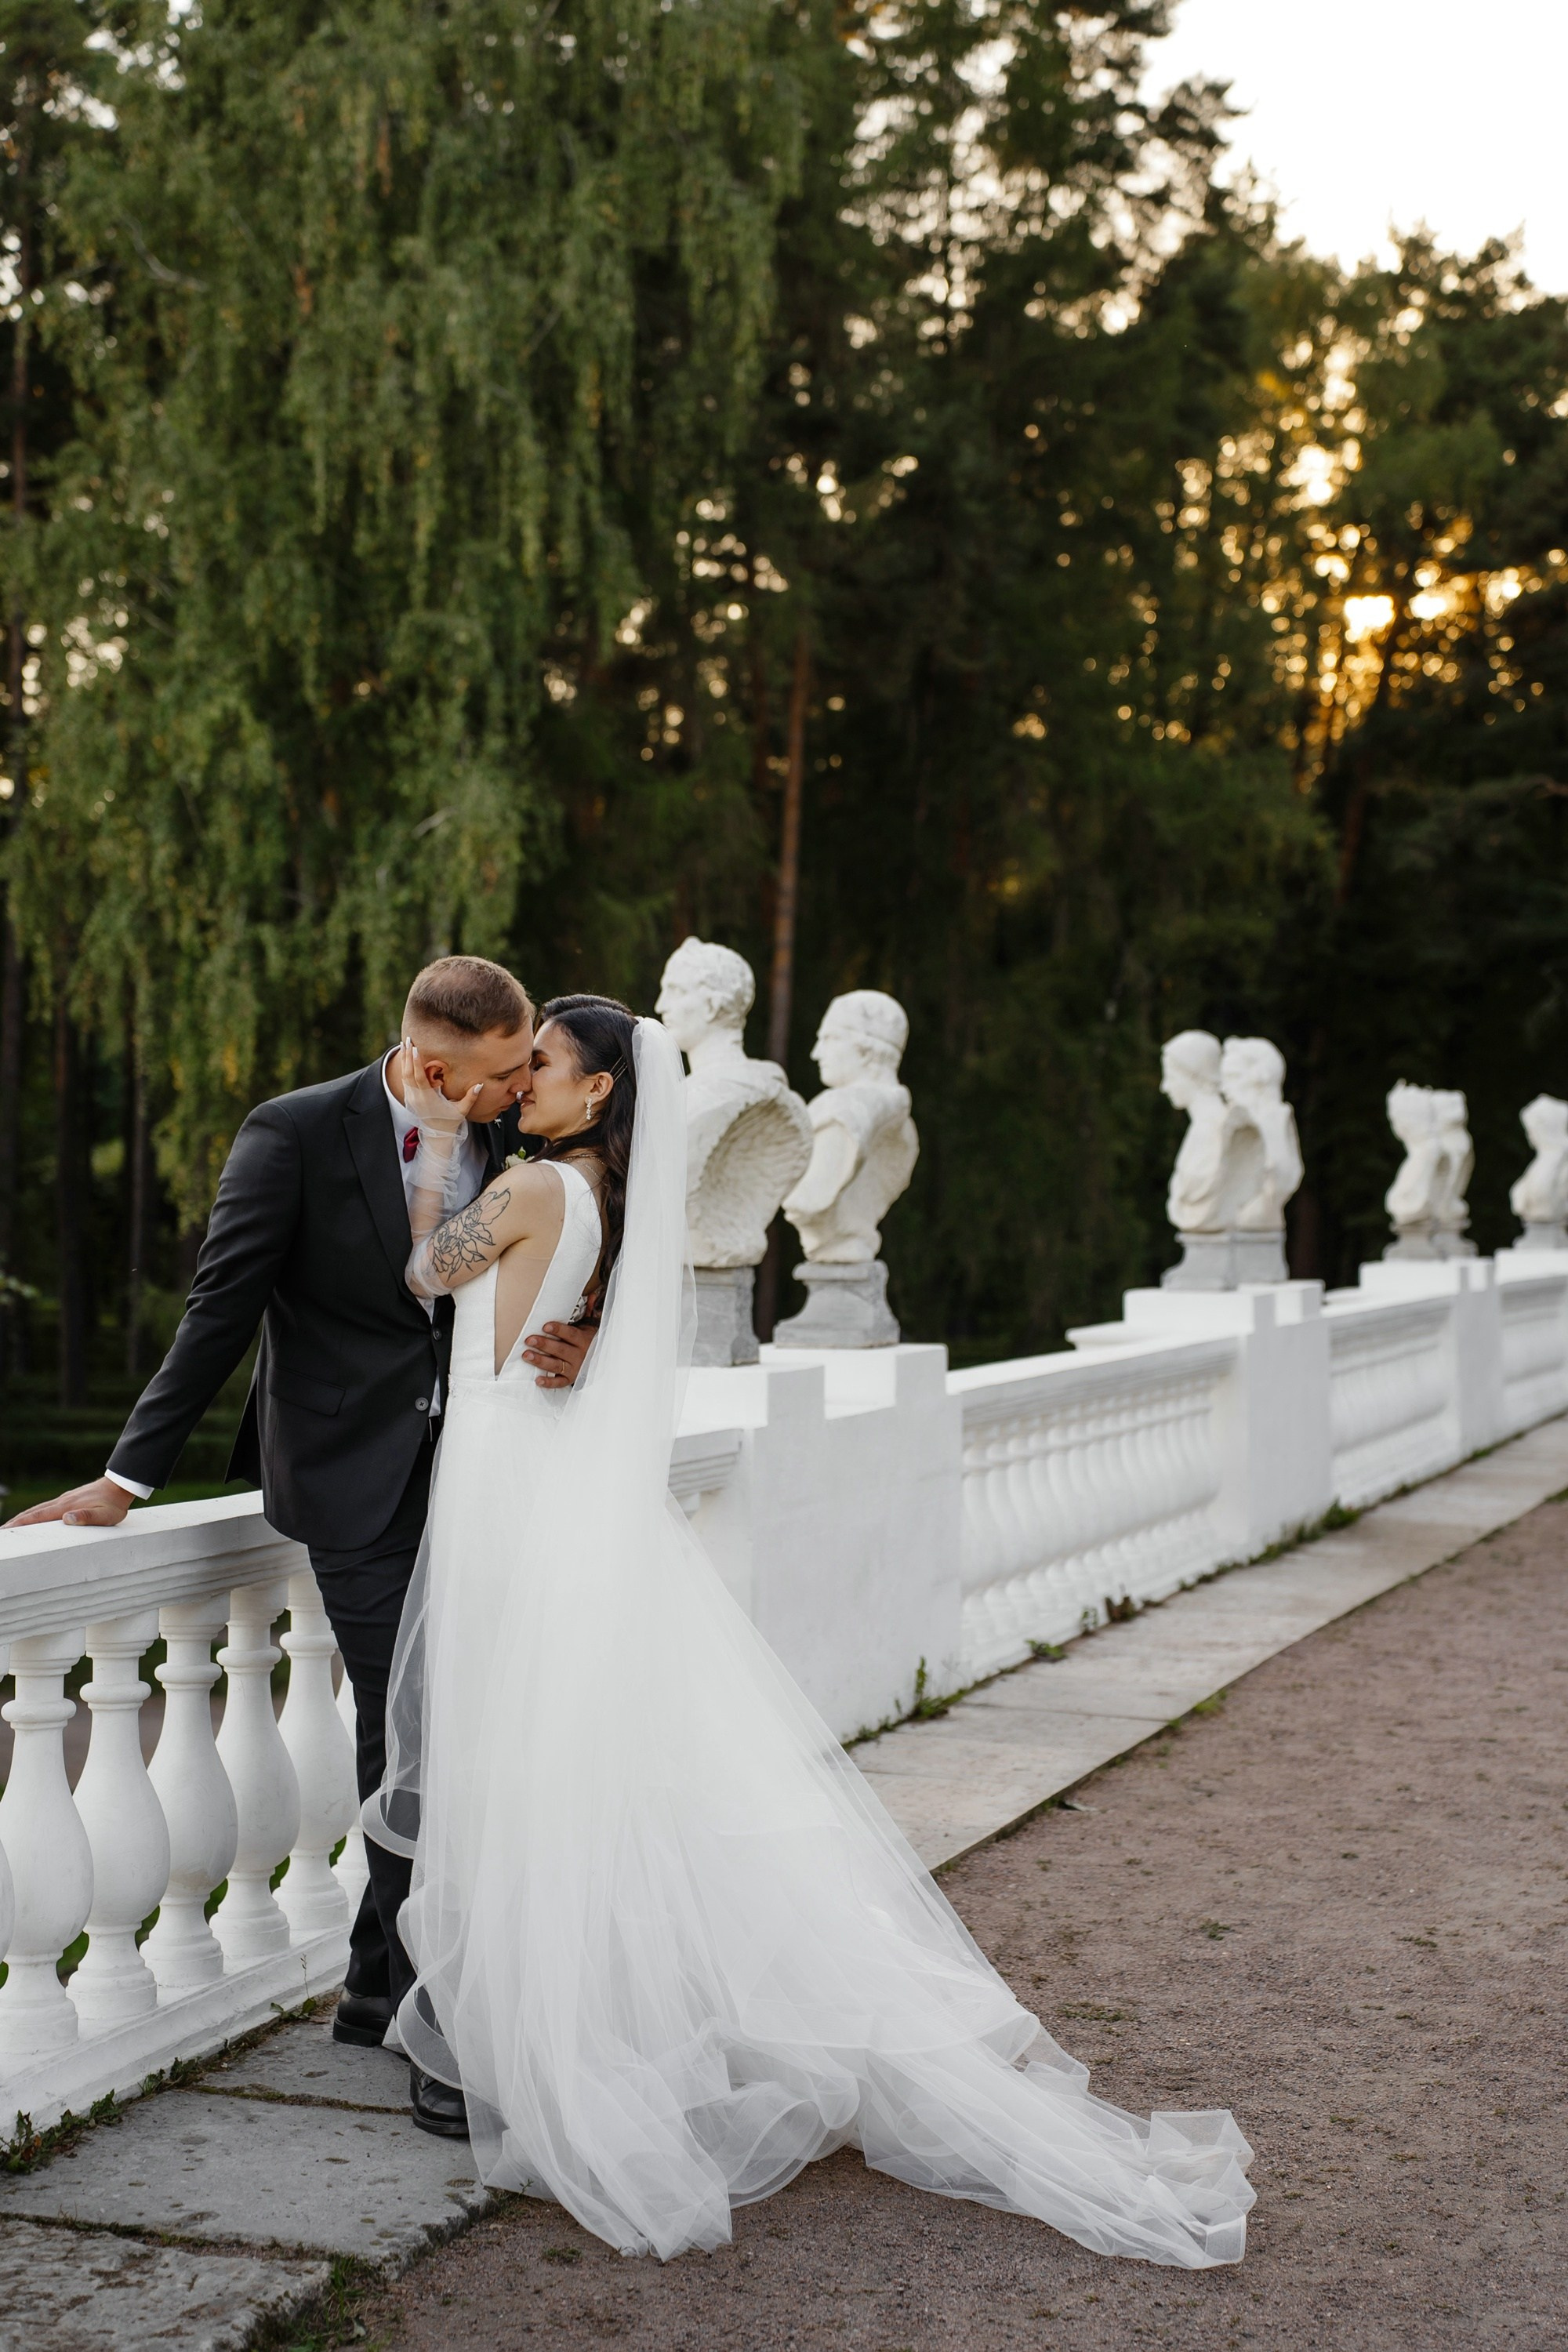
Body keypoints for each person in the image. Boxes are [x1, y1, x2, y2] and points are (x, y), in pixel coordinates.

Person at [364, 996, 1256, 2263]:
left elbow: (418, 1271)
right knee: (573, 1759)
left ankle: (555, 2040)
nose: (528, 1084)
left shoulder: (523, 1191)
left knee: (525, 1755)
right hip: (548, 1475)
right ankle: (587, 2019)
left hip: (511, 1484)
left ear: (601, 1093)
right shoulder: (608, 1206)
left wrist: (443, 1136)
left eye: (546, 1067)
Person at [7, 955, 592, 2135]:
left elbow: (530, 1272)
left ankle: (378, 1990)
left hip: (485, 1476)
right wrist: (127, 1478)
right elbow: (219, 1310)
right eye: (499, 1073)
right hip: (353, 1482)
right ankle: (440, 2023)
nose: (521, 1085)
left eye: (532, 1063)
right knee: (414, 1737)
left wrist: (582, 1340)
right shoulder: (294, 1135)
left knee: (452, 1729)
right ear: (431, 1065)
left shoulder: (506, 1146)